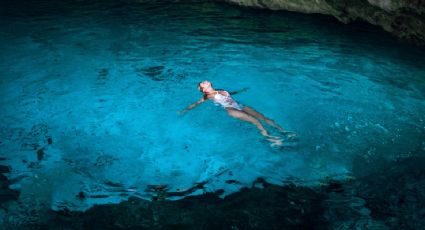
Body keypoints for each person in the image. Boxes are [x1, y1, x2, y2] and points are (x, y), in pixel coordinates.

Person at [179, 80, 293, 146]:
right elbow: (196, 104)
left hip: (239, 105)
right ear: (203, 90)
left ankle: (284, 131)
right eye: (201, 84)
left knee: (265, 118)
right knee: (255, 121)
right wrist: (184, 110)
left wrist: (241, 90)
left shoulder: (219, 89)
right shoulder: (208, 95)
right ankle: (271, 139)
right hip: (231, 110)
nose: (202, 82)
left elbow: (230, 93)